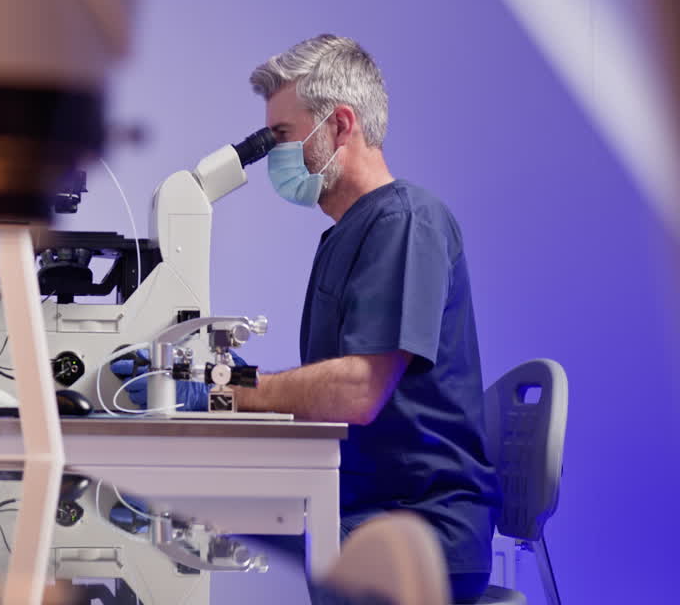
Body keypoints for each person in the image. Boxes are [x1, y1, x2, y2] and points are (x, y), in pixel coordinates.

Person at [114, 34, 500, 603]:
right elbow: (318, 387)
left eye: (282, 137)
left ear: (340, 125)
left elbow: (355, 392)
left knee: (179, 517)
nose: (276, 158)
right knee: (178, 507)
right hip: (359, 505)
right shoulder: (346, 235)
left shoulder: (406, 223)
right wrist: (217, 376)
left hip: (419, 530)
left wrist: (220, 391)